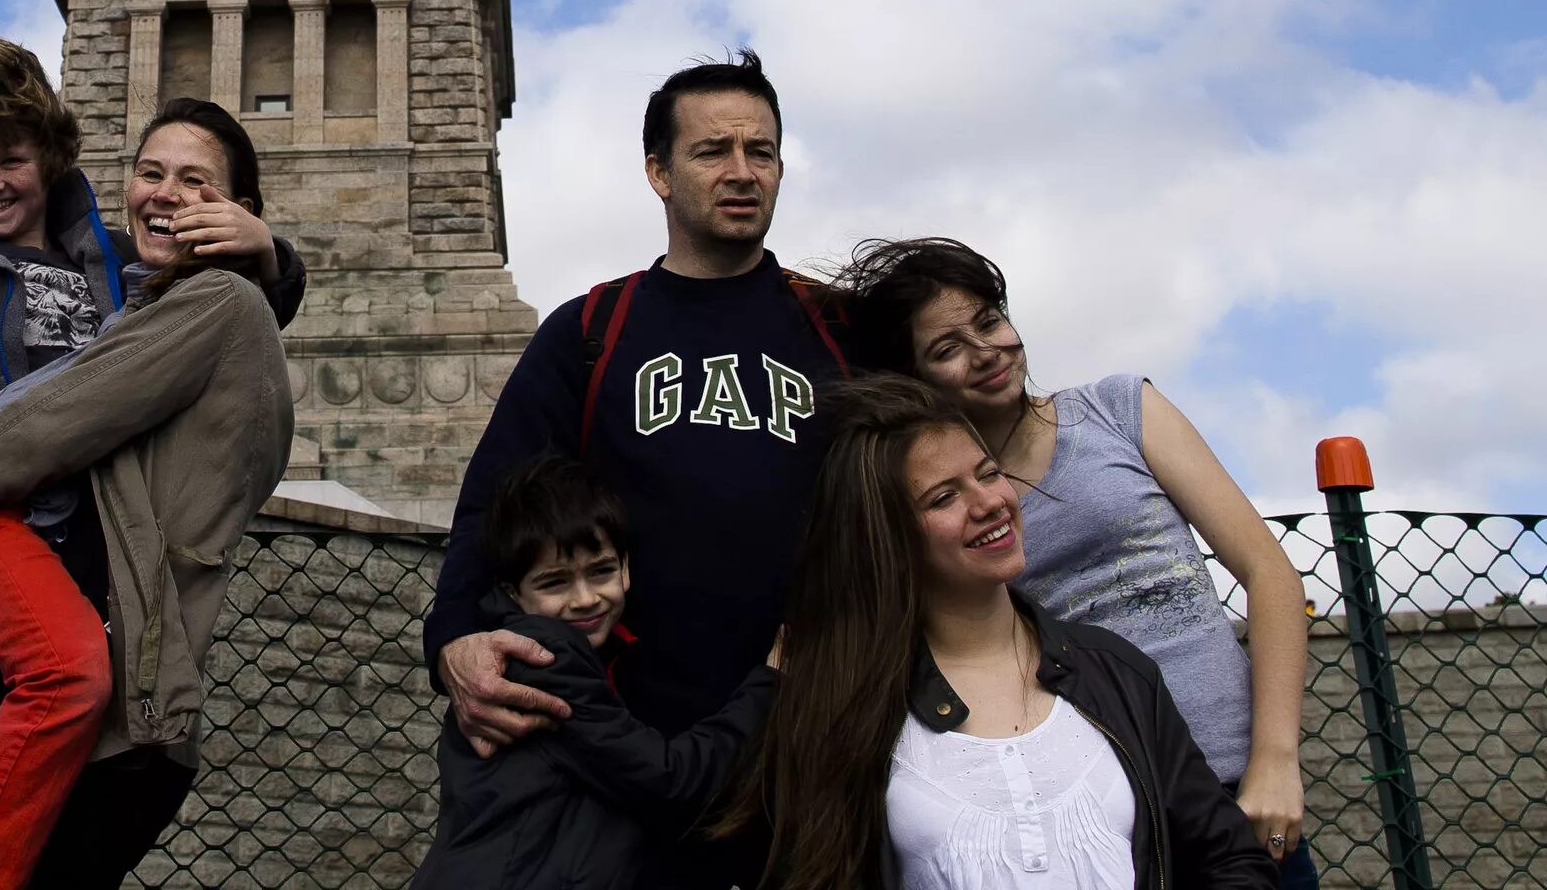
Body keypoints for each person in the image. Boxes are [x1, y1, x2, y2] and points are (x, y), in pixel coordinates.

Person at [0, 101, 298, 890]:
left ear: (54, 165)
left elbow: (198, 330)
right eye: (150, 173)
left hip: (50, 582)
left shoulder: (121, 272)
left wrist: (272, 256)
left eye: (194, 181)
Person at [426, 50, 851, 890]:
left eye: (760, 152)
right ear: (659, 172)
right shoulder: (589, 329)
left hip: (815, 744)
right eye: (712, 152)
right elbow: (492, 509)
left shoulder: (839, 329)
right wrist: (450, 642)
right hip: (634, 764)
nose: (741, 172)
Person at [832, 239, 1316, 885]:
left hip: (1238, 794)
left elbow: (1269, 573)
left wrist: (1276, 758)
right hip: (1094, 813)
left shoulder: (1119, 410)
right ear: (915, 376)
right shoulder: (948, 507)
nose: (985, 352)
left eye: (989, 321)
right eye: (947, 348)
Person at [727, 375, 1277, 890]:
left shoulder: (1118, 672)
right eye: (943, 497)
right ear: (888, 538)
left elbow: (1229, 859)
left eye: (988, 474)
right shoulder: (843, 702)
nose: (989, 503)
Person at [411, 455, 780, 890]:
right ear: (515, 593)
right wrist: (770, 683)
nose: (585, 598)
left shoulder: (566, 654)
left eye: (600, 571)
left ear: (625, 568)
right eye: (555, 582)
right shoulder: (542, 659)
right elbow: (669, 781)